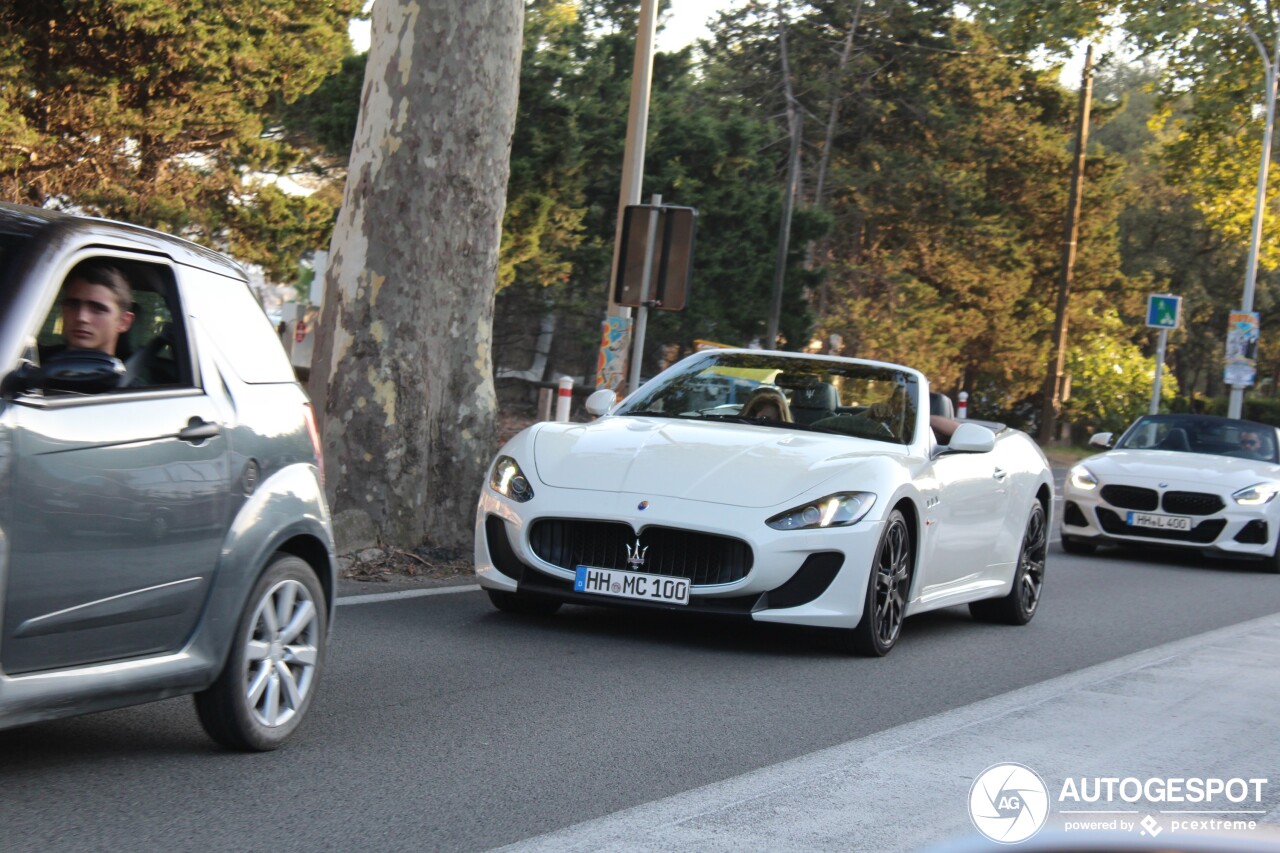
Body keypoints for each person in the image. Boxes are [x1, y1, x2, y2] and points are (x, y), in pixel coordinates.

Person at [59, 262, 135, 356]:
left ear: (124, 322)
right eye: (73, 305)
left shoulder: (132, 370)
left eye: (98, 309)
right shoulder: (38, 360)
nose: (81, 317)